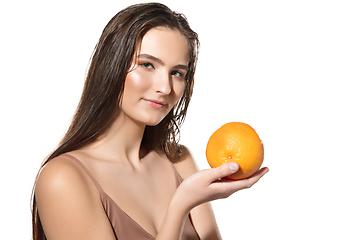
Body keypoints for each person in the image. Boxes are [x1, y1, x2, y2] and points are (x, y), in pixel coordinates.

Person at [32, 3, 269, 240]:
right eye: (147, 64)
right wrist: (180, 205)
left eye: (177, 73)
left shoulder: (179, 160)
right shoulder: (62, 178)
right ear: (111, 65)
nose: (165, 87)